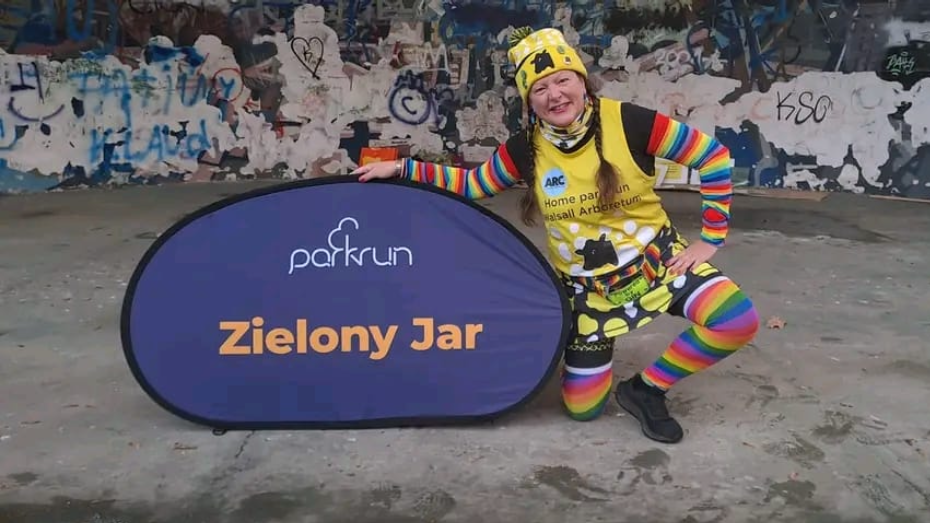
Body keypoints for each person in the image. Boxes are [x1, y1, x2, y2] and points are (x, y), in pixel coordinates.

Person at [351, 27, 760, 444]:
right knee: (583, 410)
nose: (555, 94)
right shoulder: (525, 149)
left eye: (564, 80)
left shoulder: (630, 122)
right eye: (540, 87)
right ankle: (591, 348)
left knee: (735, 320)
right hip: (588, 292)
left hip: (658, 264)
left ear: (583, 82)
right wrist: (403, 168)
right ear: (530, 101)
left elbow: (713, 157)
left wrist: (710, 238)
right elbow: (474, 185)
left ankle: (647, 388)